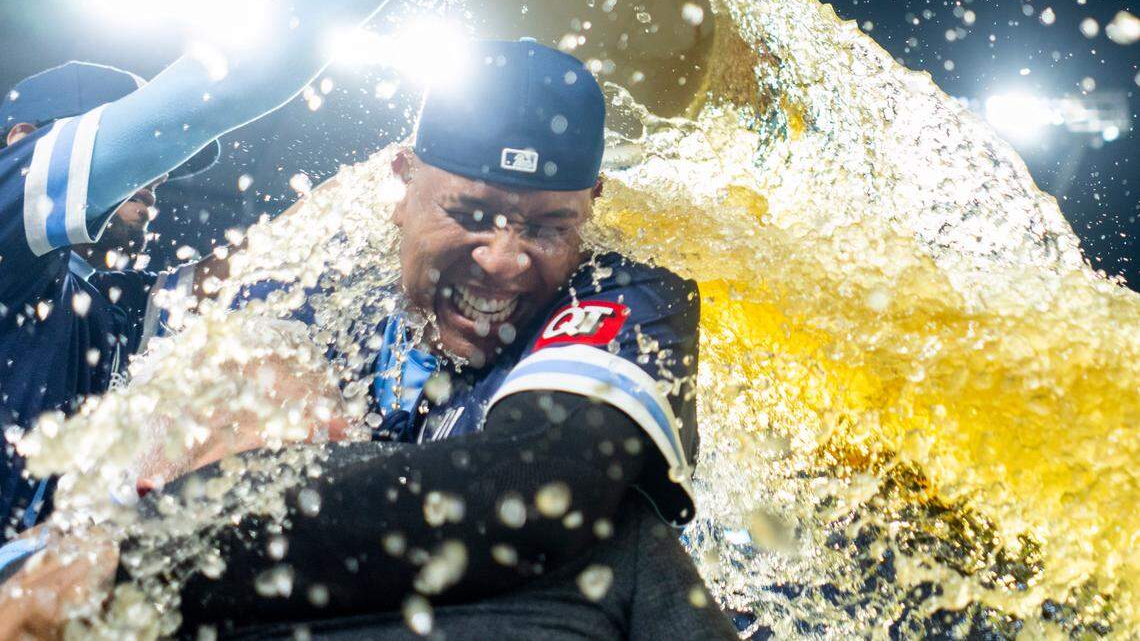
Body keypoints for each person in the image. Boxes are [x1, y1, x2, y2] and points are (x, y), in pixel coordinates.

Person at [0, 41, 737, 638]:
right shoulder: (316, 282)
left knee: (627, 545)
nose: (505, 259)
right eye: (472, 213)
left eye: (548, 227)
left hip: (532, 601)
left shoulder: (626, 292)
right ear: (402, 179)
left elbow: (536, 483)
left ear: (592, 204)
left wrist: (143, 550)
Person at [0, 0, 492, 537]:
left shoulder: (86, 307)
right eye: (137, 166)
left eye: (164, 175)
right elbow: (210, 95)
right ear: (23, 140)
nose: (155, 185)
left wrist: (410, 188)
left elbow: (239, 277)